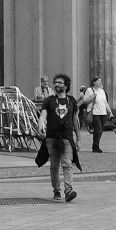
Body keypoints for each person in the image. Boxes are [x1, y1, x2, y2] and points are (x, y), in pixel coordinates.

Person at [41, 73, 79, 202]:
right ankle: (56, 190)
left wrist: (78, 138)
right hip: (52, 137)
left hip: (67, 138)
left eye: (60, 82)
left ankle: (68, 190)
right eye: (55, 82)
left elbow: (75, 120)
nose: (57, 84)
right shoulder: (49, 100)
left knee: (67, 164)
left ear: (66, 85)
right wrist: (40, 125)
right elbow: (43, 115)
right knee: (54, 165)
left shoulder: (71, 100)